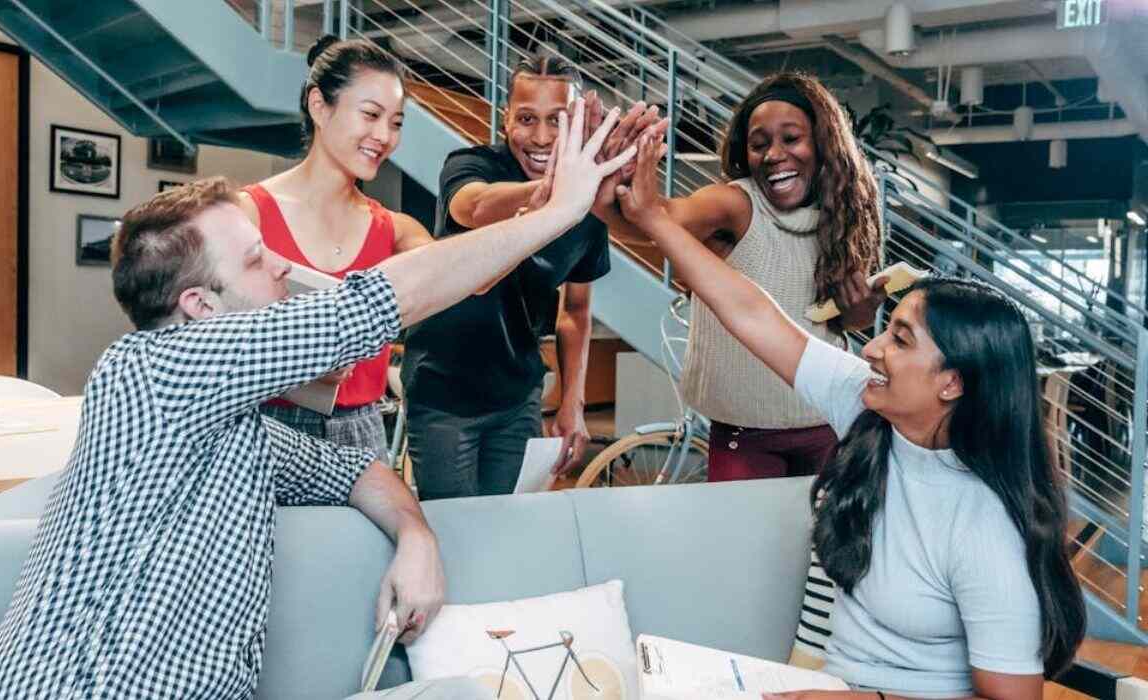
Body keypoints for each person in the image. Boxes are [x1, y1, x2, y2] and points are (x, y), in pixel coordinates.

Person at [0, 100, 637, 699]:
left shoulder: (231, 427)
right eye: (255, 260)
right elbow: (373, 305)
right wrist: (559, 212)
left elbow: (354, 470)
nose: (282, 266)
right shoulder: (150, 370)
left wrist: (416, 535)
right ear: (200, 306)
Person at [616, 131, 1086, 700]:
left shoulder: (985, 525)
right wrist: (653, 219)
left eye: (900, 340)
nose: (873, 348)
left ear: (953, 383)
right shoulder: (866, 408)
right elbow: (753, 313)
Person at [603, 72, 887, 482]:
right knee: (739, 526)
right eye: (759, 144)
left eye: (791, 138)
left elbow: (844, 324)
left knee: (821, 526)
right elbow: (660, 218)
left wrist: (860, 310)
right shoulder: (735, 203)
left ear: (823, 144)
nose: (774, 154)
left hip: (827, 420)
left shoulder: (844, 217)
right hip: (744, 432)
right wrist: (613, 180)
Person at [400, 56, 661, 499]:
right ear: (506, 119)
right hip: (444, 390)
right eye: (526, 119)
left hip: (518, 396)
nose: (540, 137)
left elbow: (575, 311)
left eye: (557, 121)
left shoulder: (587, 206)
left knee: (508, 524)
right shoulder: (470, 164)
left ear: (578, 124)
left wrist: (573, 403)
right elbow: (474, 205)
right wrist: (556, 192)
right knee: (452, 526)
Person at [238, 37, 434, 458]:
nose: (384, 136)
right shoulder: (247, 214)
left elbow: (459, 277)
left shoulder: (396, 230)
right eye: (371, 115)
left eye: (396, 122)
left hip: (362, 432)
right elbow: (211, 339)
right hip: (265, 428)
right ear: (319, 106)